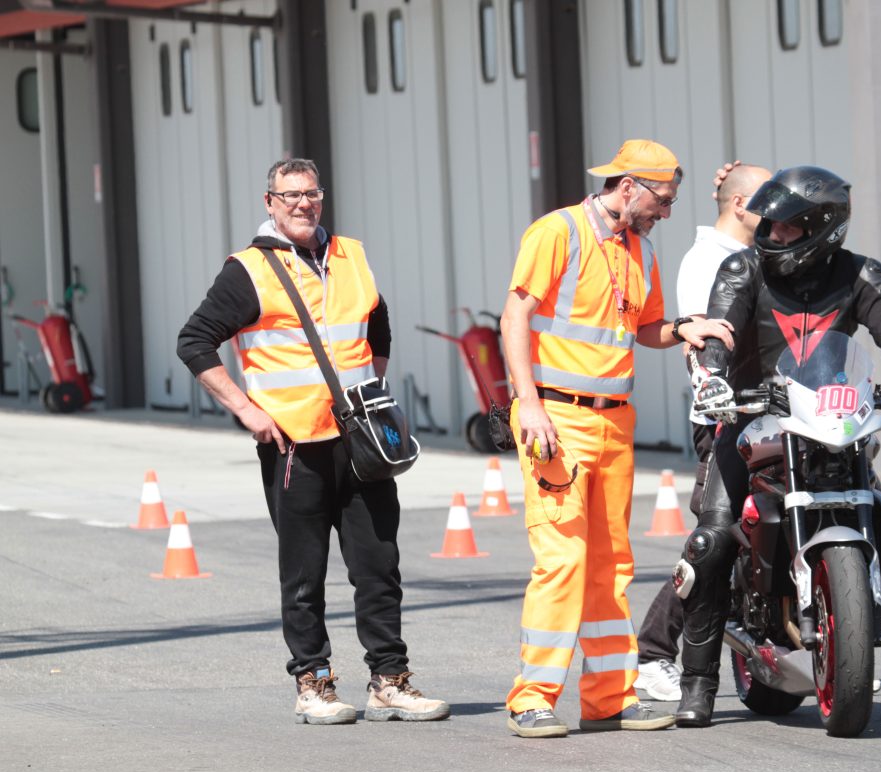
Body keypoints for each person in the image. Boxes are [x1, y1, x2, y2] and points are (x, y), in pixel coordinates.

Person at [673, 164, 881, 727]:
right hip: (753, 421)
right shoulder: (743, 269)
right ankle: (698, 686)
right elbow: (720, 329)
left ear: (822, 230)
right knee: (712, 541)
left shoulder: (860, 274)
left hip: (832, 422)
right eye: (770, 226)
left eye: (786, 229)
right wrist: (712, 376)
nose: (772, 236)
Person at [176, 158, 449, 726]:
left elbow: (378, 321)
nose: (304, 204)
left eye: (313, 194)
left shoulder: (350, 254)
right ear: (270, 201)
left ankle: (389, 681)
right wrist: (247, 410)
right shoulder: (248, 270)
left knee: (379, 565)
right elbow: (195, 341)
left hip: (361, 440)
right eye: (291, 195)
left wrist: (372, 391)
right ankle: (313, 683)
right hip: (295, 445)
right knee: (304, 574)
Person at [499, 139, 735, 738]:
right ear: (628, 187)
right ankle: (532, 698)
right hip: (556, 418)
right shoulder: (558, 233)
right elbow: (515, 317)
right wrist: (528, 405)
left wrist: (687, 327)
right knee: (562, 560)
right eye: (662, 199)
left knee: (611, 565)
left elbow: (646, 329)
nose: (667, 211)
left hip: (614, 422)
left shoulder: (642, 251)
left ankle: (609, 698)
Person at [633, 163, 773, 703]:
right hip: (723, 421)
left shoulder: (764, 256)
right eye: (767, 197)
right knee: (720, 539)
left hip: (774, 416)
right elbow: (700, 341)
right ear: (740, 205)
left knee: (764, 534)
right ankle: (654, 654)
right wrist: (714, 396)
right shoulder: (706, 261)